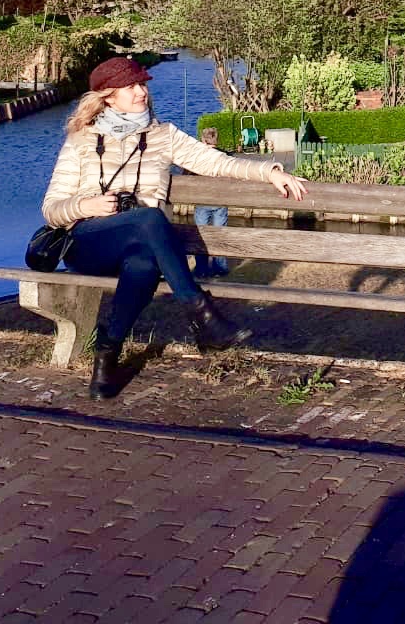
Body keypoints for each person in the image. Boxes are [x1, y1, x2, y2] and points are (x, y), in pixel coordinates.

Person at [40, 55, 308, 399]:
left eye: (143, 84)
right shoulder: (81, 140)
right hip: (88, 241)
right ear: (108, 96)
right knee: (152, 217)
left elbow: (215, 162)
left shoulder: (163, 136)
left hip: (140, 244)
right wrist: (84, 205)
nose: (141, 92)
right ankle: (200, 313)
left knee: (144, 264)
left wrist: (269, 171)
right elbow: (51, 209)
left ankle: (105, 356)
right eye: (131, 86)